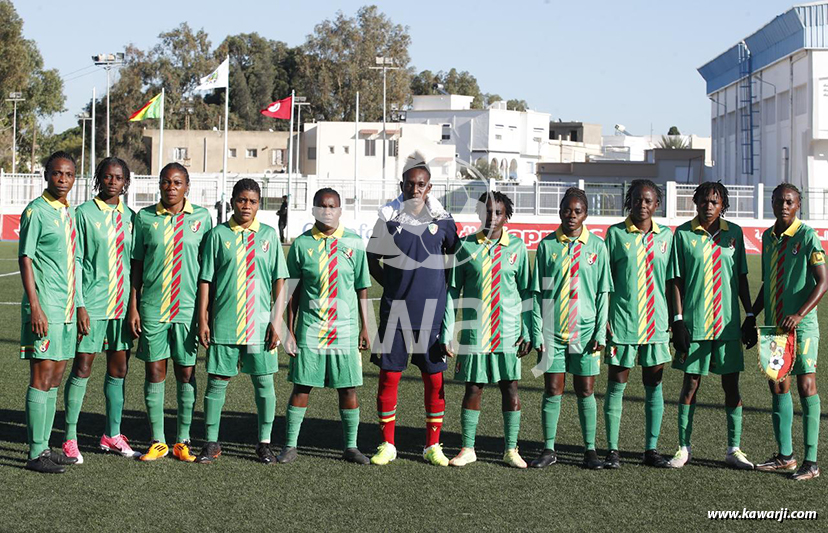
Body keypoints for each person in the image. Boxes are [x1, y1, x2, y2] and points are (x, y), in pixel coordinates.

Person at [367, 152, 459, 466]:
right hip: (395, 313)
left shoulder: (443, 222)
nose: (415, 189)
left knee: (434, 380)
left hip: (431, 315)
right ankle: (387, 444)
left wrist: (439, 288)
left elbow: (455, 259)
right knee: (389, 377)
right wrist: (392, 284)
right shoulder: (388, 220)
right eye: (410, 184)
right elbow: (371, 260)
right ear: (402, 186)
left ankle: (432, 445)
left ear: (429, 187)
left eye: (421, 184)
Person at [195, 178, 288, 464]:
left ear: (260, 204)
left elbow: (280, 281)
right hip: (224, 322)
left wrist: (277, 321)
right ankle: (211, 443)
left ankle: (264, 443)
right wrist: (202, 318)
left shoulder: (270, 236)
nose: (246, 206)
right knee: (217, 383)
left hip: (260, 325)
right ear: (233, 200)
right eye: (241, 200)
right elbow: (206, 280)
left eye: (252, 201)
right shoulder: (217, 235)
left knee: (264, 384)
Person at [277, 188, 372, 465]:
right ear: (314, 211)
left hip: (345, 328)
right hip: (310, 328)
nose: (327, 211)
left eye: (332, 206)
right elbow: (292, 291)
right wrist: (289, 330)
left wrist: (367, 328)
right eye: (321, 206)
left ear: (340, 211)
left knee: (348, 389)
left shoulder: (354, 243)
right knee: (302, 386)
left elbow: (362, 288)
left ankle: (351, 447)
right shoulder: (301, 245)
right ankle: (290, 445)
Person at [666, 181, 756, 470]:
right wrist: (677, 321)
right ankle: (683, 448)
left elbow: (741, 278)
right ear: (695, 202)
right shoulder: (682, 234)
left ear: (722, 206)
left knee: (732, 386)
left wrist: (750, 315)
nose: (708, 206)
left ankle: (734, 449)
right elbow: (675, 282)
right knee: (690, 384)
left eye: (714, 202)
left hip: (727, 325)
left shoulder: (735, 234)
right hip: (696, 325)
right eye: (703, 201)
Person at [128, 162, 212, 461]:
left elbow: (208, 269)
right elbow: (136, 265)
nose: (171, 187)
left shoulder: (202, 217)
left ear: (187, 186)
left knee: (186, 372)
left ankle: (183, 441)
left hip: (188, 309)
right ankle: (158, 441)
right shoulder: (145, 217)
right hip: (153, 307)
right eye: (166, 182)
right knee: (155, 371)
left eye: (177, 182)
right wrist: (133, 306)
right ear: (159, 185)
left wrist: (206, 313)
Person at [441, 191, 532, 468]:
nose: (492, 217)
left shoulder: (517, 248)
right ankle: (468, 448)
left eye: (498, 212)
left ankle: (511, 449)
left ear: (507, 216)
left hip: (508, 331)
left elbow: (527, 291)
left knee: (511, 388)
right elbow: (452, 291)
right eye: (488, 211)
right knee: (473, 388)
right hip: (475, 331)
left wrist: (528, 329)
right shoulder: (466, 247)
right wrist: (447, 332)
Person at [61, 157, 138, 463]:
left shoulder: (132, 217)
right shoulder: (83, 213)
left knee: (119, 370)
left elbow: (135, 265)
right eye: (107, 177)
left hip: (121, 307)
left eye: (118, 178)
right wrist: (79, 304)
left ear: (125, 182)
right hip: (92, 305)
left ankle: (112, 434)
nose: (112, 182)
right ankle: (69, 437)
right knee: (82, 367)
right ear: (98, 179)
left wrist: (134, 306)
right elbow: (76, 261)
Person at [529, 187, 612, 470]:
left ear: (586, 214)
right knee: (553, 388)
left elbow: (603, 294)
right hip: (552, 331)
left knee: (586, 390)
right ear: (560, 211)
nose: (572, 215)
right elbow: (537, 293)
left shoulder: (597, 246)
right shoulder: (546, 245)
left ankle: (590, 451)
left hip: (586, 332)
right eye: (567, 210)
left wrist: (601, 332)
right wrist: (537, 330)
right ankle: (549, 449)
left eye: (578, 211)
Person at [752, 183, 827, 481]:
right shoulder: (768, 238)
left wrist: (800, 314)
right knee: (777, 386)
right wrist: (750, 314)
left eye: (789, 201)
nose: (784, 206)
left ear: (798, 205)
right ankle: (785, 456)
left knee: (806, 386)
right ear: (772, 203)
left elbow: (822, 282)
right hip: (774, 327)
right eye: (779, 201)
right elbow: (768, 282)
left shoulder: (808, 236)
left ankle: (811, 461)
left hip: (802, 326)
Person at [601, 180, 672, 469]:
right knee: (617, 385)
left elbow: (672, 282)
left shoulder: (667, 236)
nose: (642, 205)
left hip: (656, 324)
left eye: (648, 201)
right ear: (629, 201)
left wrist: (676, 320)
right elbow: (603, 280)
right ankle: (613, 450)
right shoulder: (615, 234)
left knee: (653, 386)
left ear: (657, 204)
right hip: (622, 322)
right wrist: (604, 317)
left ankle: (651, 450)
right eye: (637, 200)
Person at [19, 151, 81, 473]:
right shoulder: (36, 211)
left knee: (55, 378)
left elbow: (76, 264)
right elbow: (26, 258)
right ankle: (34, 454)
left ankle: (44, 447)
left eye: (68, 175)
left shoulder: (68, 213)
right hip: (45, 309)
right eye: (57, 173)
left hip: (67, 310)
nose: (62, 179)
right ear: (46, 175)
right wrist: (36, 307)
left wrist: (80, 306)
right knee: (41, 377)